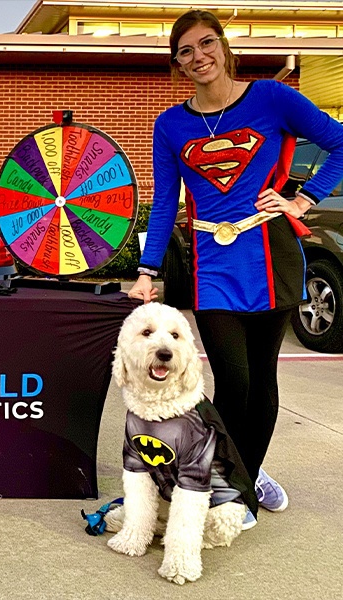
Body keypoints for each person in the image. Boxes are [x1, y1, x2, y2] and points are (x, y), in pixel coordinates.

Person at [129, 10, 343, 529]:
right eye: (185, 51)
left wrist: (303, 198)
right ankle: (234, 480)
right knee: (232, 381)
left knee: (262, 380)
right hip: (211, 263)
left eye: (206, 44)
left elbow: (338, 143)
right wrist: (146, 269)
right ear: (177, 64)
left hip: (272, 254)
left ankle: (242, 489)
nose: (198, 56)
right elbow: (164, 203)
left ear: (223, 47)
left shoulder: (271, 97)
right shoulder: (171, 123)